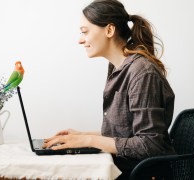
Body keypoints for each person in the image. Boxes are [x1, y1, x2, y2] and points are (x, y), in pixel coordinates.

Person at [43, 0, 175, 179]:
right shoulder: (116, 68)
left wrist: (88, 141)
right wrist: (81, 136)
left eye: (85, 32)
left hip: (141, 175)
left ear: (109, 30)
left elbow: (150, 144)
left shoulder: (141, 72)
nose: (80, 40)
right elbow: (125, 134)